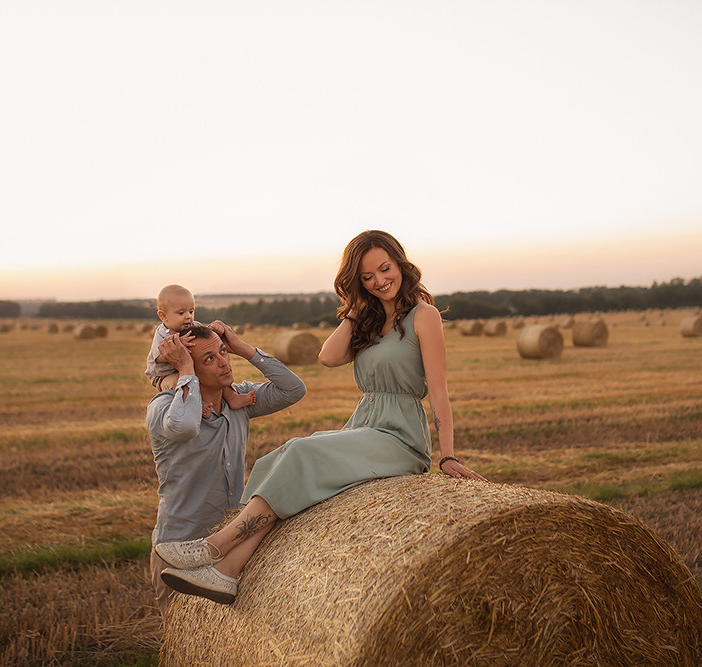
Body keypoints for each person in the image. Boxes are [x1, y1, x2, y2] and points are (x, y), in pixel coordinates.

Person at [155, 230, 485, 605]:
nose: (379, 281)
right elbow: (328, 356)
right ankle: (227, 572)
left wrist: (448, 455)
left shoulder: (424, 317)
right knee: (282, 461)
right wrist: (360, 307)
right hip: (366, 424)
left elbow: (439, 392)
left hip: (400, 437)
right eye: (366, 278)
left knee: (300, 452)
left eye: (385, 269)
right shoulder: (370, 320)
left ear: (400, 263)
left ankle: (215, 547)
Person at [146, 319, 307, 619]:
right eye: (209, 358)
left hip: (231, 545)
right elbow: (184, 425)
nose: (223, 363)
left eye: (223, 352)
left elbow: (293, 389)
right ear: (187, 369)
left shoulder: (239, 401)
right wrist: (184, 369)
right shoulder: (164, 410)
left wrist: (242, 348)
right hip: (178, 551)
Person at [146, 284, 256, 412]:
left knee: (214, 375)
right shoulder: (162, 334)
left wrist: (214, 332)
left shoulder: (194, 326)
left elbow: (206, 339)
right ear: (163, 316)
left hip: (187, 367)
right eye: (181, 313)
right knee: (181, 382)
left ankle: (232, 397)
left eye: (191, 311)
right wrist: (177, 346)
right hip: (165, 375)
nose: (188, 316)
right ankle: (197, 404)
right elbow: (157, 359)